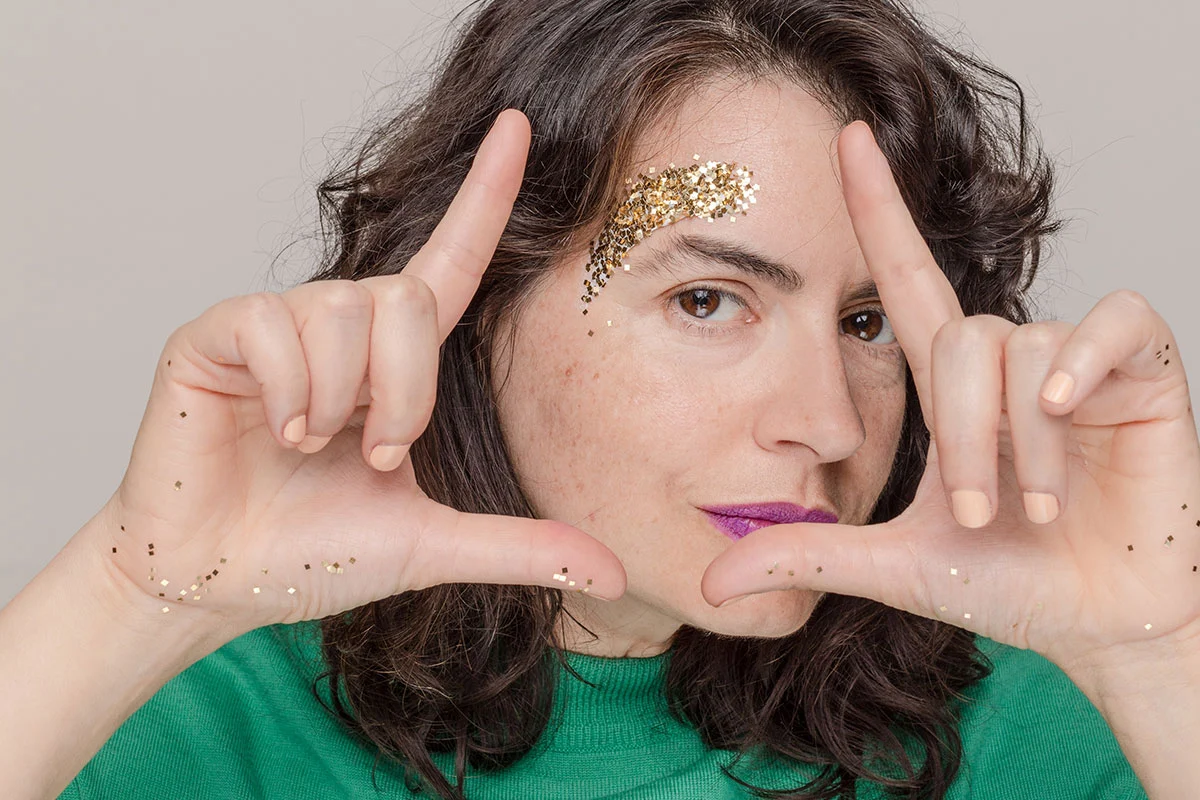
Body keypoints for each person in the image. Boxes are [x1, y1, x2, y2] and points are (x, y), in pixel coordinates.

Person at [3, 0, 1196, 797]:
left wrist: (1160, 661)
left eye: (867, 321)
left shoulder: (1026, 731)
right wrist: (129, 595)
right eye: (708, 300)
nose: (830, 422)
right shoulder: (206, 727)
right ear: (483, 310)